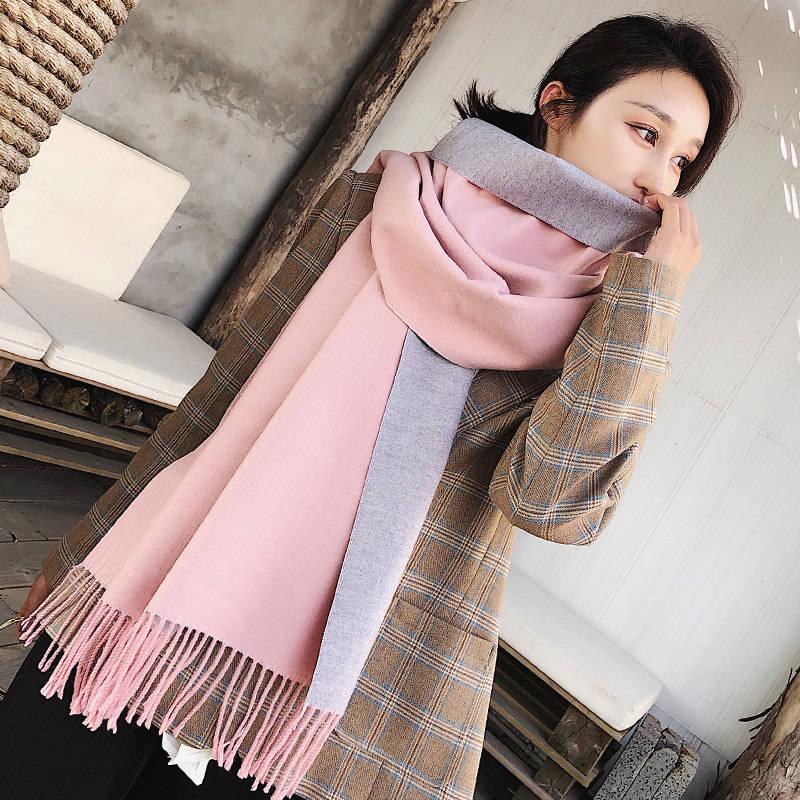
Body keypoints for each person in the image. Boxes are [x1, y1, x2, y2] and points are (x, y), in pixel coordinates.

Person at [0, 11, 740, 800]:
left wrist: (652, 298)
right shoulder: (381, 199)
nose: (659, 178)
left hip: (337, 669)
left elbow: (552, 503)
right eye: (645, 133)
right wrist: (86, 544)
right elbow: (227, 393)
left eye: (682, 160)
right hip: (168, 571)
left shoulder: (612, 315)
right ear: (558, 105)